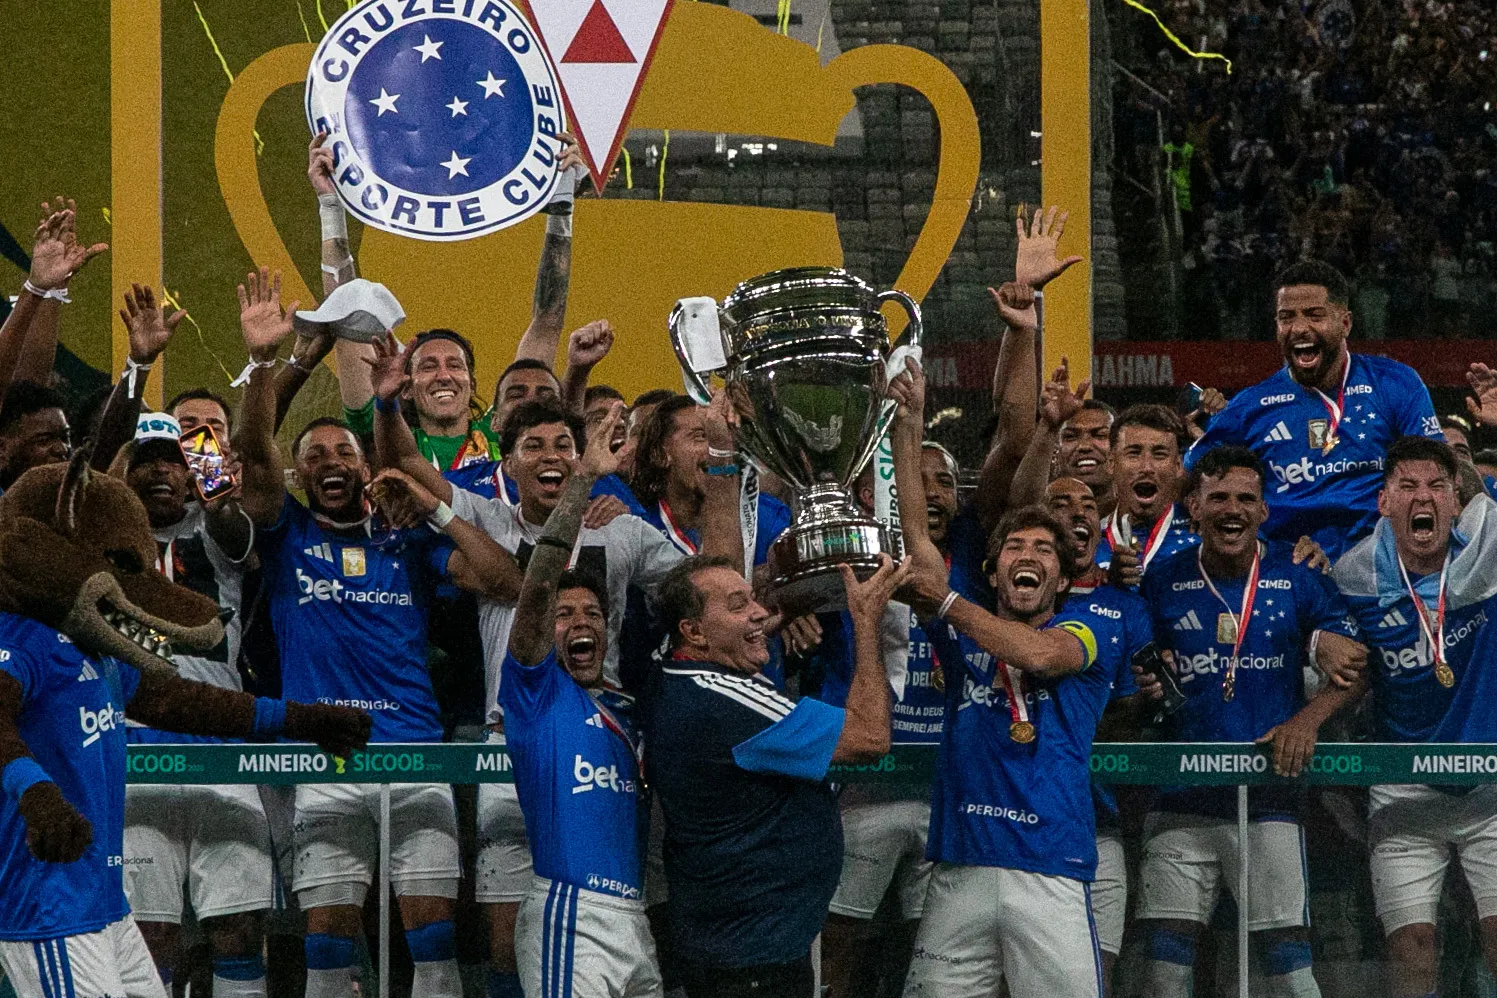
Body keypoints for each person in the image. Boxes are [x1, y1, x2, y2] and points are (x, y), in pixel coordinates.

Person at [372, 337, 736, 998]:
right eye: (533, 447)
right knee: (506, 936)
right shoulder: (483, 514)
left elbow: (713, 580)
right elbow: (400, 458)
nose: (550, 458)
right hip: (507, 739)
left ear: (581, 455)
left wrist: (724, 464)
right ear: (504, 465)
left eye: (562, 447)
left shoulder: (621, 531)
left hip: (602, 739)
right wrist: (387, 401)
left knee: (612, 913)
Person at [231, 267, 520, 998]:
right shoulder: (287, 532)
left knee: (433, 948)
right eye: (316, 456)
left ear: (367, 469)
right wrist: (273, 360)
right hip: (323, 759)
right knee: (328, 953)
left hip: (415, 752)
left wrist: (428, 508)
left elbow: (504, 580)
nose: (332, 462)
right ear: (298, 477)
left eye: (344, 454)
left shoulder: (404, 539)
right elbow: (252, 448)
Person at [0, 451, 369, 998]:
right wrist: (36, 794)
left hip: (101, 900)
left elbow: (178, 700)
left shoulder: (97, 642)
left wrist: (296, 718)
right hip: (47, 903)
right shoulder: (15, 638)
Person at [889, 356, 1143, 998]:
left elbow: (1041, 657)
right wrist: (908, 422)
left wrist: (946, 603)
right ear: (995, 571)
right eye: (1014, 549)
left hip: (1050, 868)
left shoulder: (1096, 623)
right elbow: (916, 538)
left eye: (1043, 552)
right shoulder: (965, 632)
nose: (1027, 556)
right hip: (960, 868)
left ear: (1062, 578)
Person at [1134, 445, 1368, 998]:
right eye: (1218, 497)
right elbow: (1140, 676)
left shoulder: (1298, 573)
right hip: (1179, 800)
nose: (1231, 508)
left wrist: (1307, 722)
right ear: (1194, 506)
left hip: (1270, 799)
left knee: (1289, 971)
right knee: (1164, 976)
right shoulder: (1162, 580)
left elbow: (1356, 668)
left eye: (1245, 498)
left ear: (1265, 510)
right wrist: (1146, 687)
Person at [645, 551, 904, 998]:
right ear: (694, 631)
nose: (759, 613)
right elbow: (870, 737)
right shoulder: (724, 700)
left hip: (737, 946)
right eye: (737, 605)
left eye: (753, 600)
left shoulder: (678, 675)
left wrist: (765, 621)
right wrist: (866, 622)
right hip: (753, 961)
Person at [500, 403, 662, 997]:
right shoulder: (535, 694)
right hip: (573, 916)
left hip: (637, 920)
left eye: (592, 612)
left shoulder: (634, 709)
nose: (579, 622)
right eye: (564, 616)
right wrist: (585, 479)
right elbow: (541, 580)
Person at [1332, 436, 1497, 998]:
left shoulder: (1487, 551)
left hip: (1489, 790)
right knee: (1410, 947)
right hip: (1401, 792)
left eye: (1436, 487)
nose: (1421, 497)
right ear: (1383, 501)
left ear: (1457, 502)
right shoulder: (1353, 576)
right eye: (1406, 486)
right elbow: (1336, 663)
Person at [117, 412, 269, 997]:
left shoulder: (215, 534)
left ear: (192, 475)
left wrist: (208, 463)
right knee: (148, 936)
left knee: (238, 927)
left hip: (221, 747)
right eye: (145, 459)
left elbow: (230, 520)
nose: (160, 471)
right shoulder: (103, 545)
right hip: (136, 751)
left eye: (173, 461)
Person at [816, 439, 957, 998]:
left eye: (942, 482)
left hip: (944, 794)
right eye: (911, 484)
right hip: (861, 791)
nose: (929, 496)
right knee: (841, 947)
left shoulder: (978, 558)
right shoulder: (839, 563)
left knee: (933, 953)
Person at [1186, 260, 1442, 559]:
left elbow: (1438, 471)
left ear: (1345, 323)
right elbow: (1187, 475)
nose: (1299, 328)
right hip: (1290, 566)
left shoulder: (1395, 383)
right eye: (1286, 318)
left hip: (1381, 562)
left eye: (1314, 315)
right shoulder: (1249, 407)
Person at [1096, 404, 1199, 587]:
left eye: (1159, 455)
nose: (1146, 467)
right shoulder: (1091, 540)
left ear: (1177, 466)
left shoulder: (1202, 536)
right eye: (1134, 453)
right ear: (1111, 463)